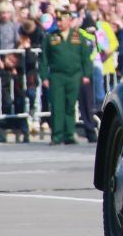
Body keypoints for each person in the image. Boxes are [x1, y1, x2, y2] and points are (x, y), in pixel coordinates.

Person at [39, 8, 91, 145]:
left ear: (69, 20)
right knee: (57, 105)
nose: (59, 23)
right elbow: (43, 59)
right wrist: (44, 77)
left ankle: (69, 134)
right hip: (57, 76)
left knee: (70, 105)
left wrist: (87, 74)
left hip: (74, 75)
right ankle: (56, 135)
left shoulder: (78, 37)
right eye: (58, 20)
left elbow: (86, 57)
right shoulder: (50, 37)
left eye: (62, 20)